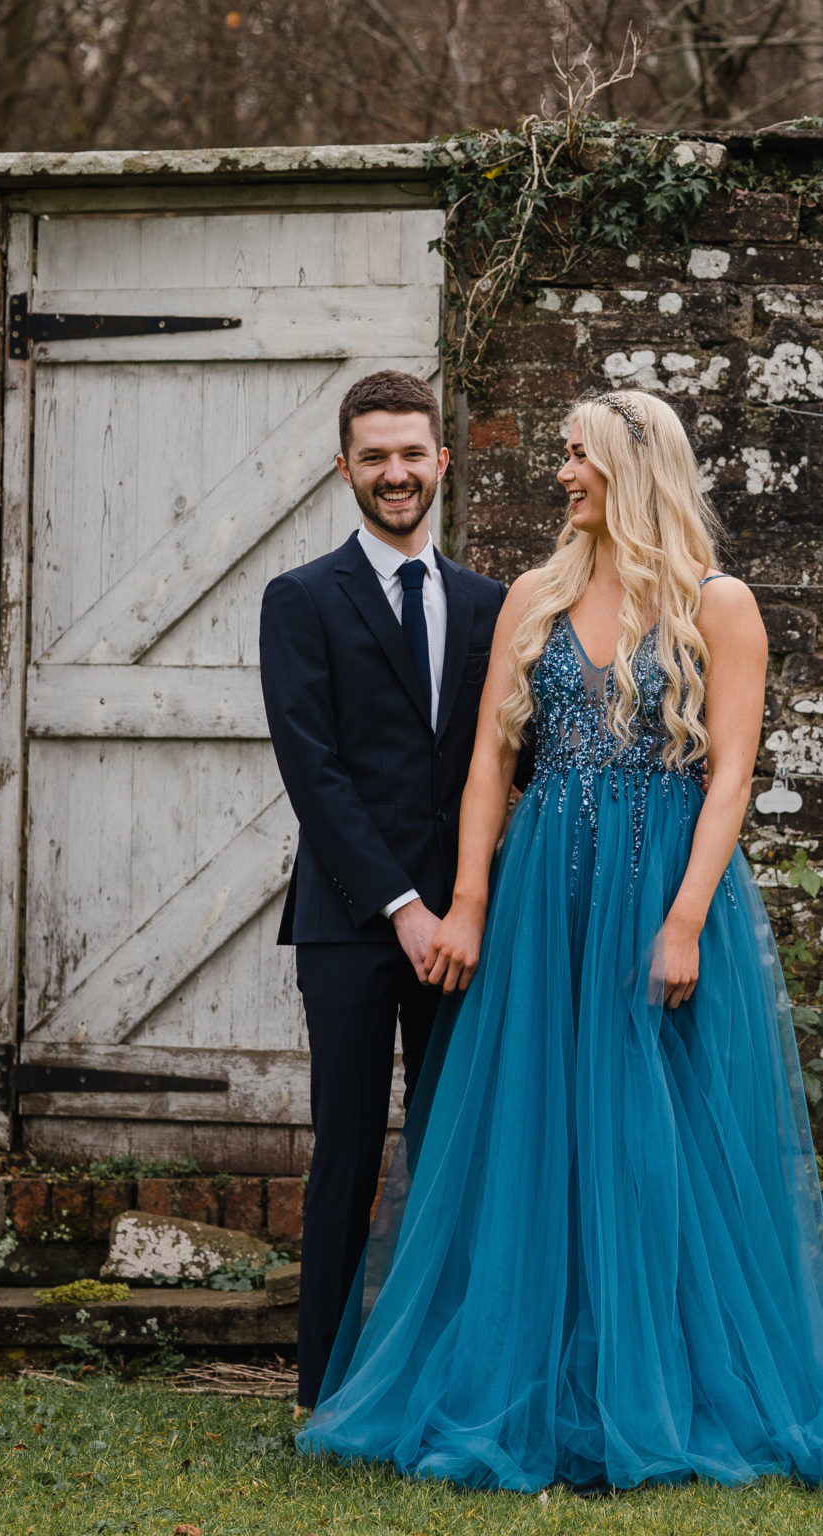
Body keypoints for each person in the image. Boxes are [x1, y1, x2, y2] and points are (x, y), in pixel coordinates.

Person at [295, 388, 823, 1492]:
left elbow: (730, 772)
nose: (559, 474)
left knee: (655, 1143)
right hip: (547, 894)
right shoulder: (534, 597)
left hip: (663, 893)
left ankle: (660, 1387)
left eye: (575, 455)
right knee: (536, 1133)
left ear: (633, 466)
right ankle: (529, 1378)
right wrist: (476, 903)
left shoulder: (716, 603)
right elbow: (494, 762)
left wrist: (684, 918)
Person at [259, 370, 508, 1411]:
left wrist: (465, 906)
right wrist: (402, 908)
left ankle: (442, 1377)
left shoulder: (498, 606)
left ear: (442, 460)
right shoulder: (302, 598)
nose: (396, 473)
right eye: (375, 457)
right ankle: (327, 1387)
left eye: (413, 453)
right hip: (354, 925)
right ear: (344, 469)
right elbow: (313, 771)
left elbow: (503, 766)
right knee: (347, 1157)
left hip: (465, 928)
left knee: (457, 1154)